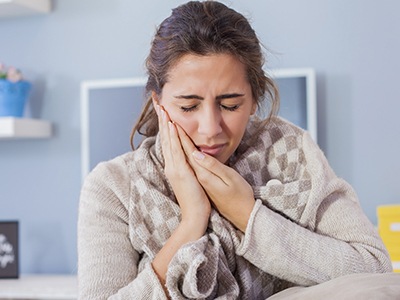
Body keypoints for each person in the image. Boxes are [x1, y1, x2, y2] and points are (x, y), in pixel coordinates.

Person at [78, 1, 394, 299]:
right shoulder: (113, 186)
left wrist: (246, 213)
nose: (211, 128)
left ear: (255, 99)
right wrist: (192, 221)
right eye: (188, 106)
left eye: (230, 105)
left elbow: (373, 267)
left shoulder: (292, 155)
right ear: (157, 102)